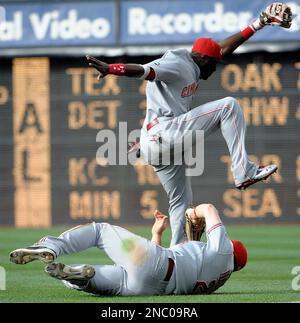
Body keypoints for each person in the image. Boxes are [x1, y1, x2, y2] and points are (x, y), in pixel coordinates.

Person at [86, 3, 292, 246]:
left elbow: (221, 50)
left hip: (157, 143)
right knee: (228, 106)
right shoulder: (177, 62)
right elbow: (144, 71)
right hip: (164, 132)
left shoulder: (196, 60)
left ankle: (180, 251)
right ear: (204, 59)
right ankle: (243, 171)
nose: (216, 67)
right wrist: (112, 69)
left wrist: (258, 23)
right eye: (214, 64)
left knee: (181, 202)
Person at [10, 203, 247, 296]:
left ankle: (50, 246)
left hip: (153, 262)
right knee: (79, 280)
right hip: (145, 287)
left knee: (100, 231)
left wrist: (192, 213)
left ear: (231, 249)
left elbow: (210, 208)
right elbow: (161, 268)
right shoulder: (217, 281)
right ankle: (79, 276)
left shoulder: (223, 252)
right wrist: (156, 234)